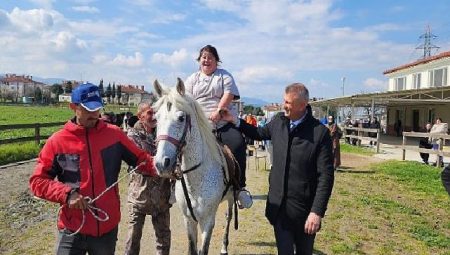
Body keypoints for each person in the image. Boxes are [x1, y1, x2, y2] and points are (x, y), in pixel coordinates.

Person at [29, 83, 157, 255]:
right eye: (88, 109)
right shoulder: (57, 142)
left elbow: (143, 160)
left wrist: (167, 167)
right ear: (73, 107)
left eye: (97, 108)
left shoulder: (115, 135)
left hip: (106, 229)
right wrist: (66, 194)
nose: (94, 114)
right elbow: (37, 181)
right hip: (71, 228)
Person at [221, 82, 334, 254]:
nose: (284, 106)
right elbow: (258, 133)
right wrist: (235, 121)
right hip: (279, 209)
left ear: (303, 105)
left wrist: (316, 212)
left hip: (304, 212)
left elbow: (326, 177)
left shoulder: (319, 134)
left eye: (288, 103)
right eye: (284, 101)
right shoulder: (278, 122)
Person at [184, 44, 252, 209]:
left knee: (237, 143)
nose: (206, 60)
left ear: (216, 61)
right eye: (203, 57)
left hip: (222, 122)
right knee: (181, 145)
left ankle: (239, 188)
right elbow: (187, 99)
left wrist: (218, 112)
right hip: (199, 125)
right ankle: (174, 184)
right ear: (199, 60)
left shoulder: (224, 76)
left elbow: (228, 95)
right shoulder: (192, 79)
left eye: (210, 57)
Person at [124, 101, 172, 255]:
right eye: (150, 113)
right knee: (133, 239)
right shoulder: (132, 135)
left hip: (162, 198)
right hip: (139, 197)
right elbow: (141, 162)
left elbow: (174, 158)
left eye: (155, 113)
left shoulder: (164, 134)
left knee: (163, 239)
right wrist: (167, 168)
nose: (154, 116)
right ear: (140, 116)